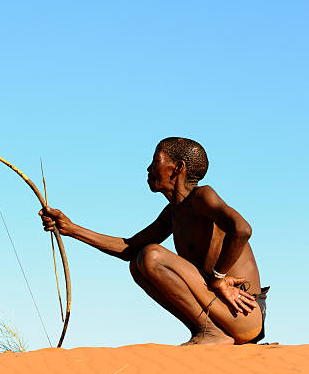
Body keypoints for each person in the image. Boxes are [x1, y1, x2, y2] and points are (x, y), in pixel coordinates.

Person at [39, 137, 269, 345]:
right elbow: (129, 248)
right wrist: (70, 229)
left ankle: (211, 333)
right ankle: (207, 331)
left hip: (244, 312)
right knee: (138, 263)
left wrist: (219, 278)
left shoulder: (202, 196)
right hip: (223, 310)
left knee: (151, 255)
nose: (149, 168)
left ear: (177, 168)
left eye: (156, 160)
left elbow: (242, 229)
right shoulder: (173, 213)